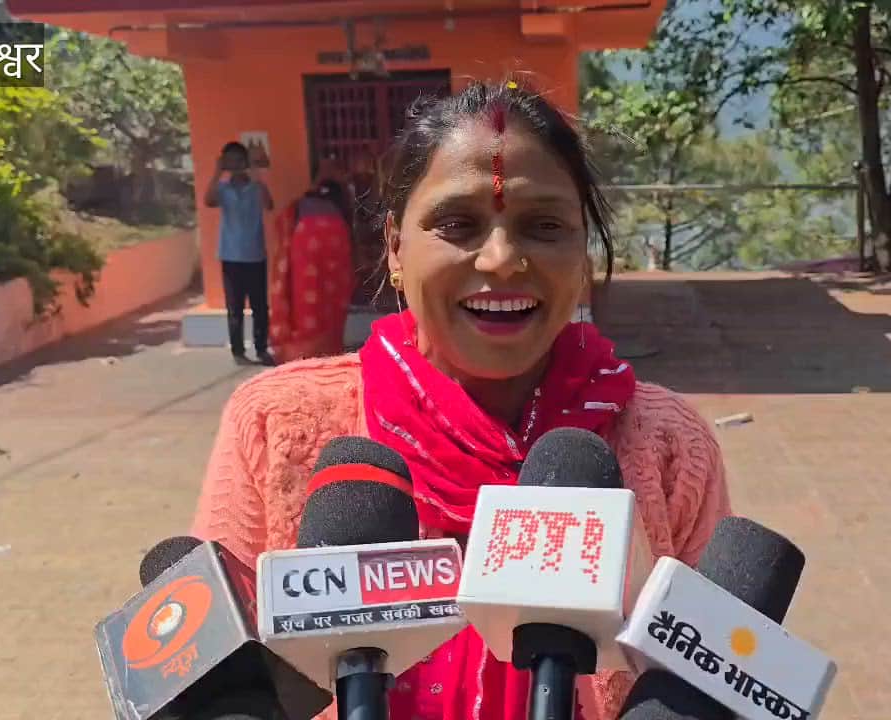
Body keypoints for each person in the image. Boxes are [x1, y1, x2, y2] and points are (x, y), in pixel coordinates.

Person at [191, 81, 731, 720]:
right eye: (458, 224)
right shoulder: (275, 427)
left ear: (582, 250)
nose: (502, 260)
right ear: (395, 248)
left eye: (544, 226)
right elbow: (221, 685)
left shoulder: (668, 447)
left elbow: (709, 686)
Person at [268, 162, 356, 361]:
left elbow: (282, 222)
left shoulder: (301, 204)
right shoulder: (342, 199)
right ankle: (328, 348)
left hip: (304, 244)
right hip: (336, 242)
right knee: (333, 298)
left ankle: (303, 352)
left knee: (305, 299)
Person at [205, 141, 276, 366]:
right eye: (229, 161)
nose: (234, 165)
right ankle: (238, 351)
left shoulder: (255, 187)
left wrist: (255, 172)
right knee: (234, 308)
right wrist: (218, 172)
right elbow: (208, 201)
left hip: (255, 255)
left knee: (260, 307)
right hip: (231, 257)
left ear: (245, 162)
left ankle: (262, 349)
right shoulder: (223, 189)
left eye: (238, 160)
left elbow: (269, 204)